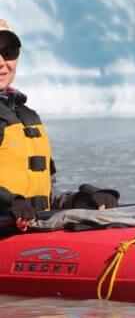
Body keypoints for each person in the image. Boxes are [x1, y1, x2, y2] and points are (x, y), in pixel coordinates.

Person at [0, 18, 119, 231]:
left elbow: (46, 193)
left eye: (8, 52)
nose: (1, 62)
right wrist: (9, 202)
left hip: (31, 232)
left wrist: (80, 201)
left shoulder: (28, 117)